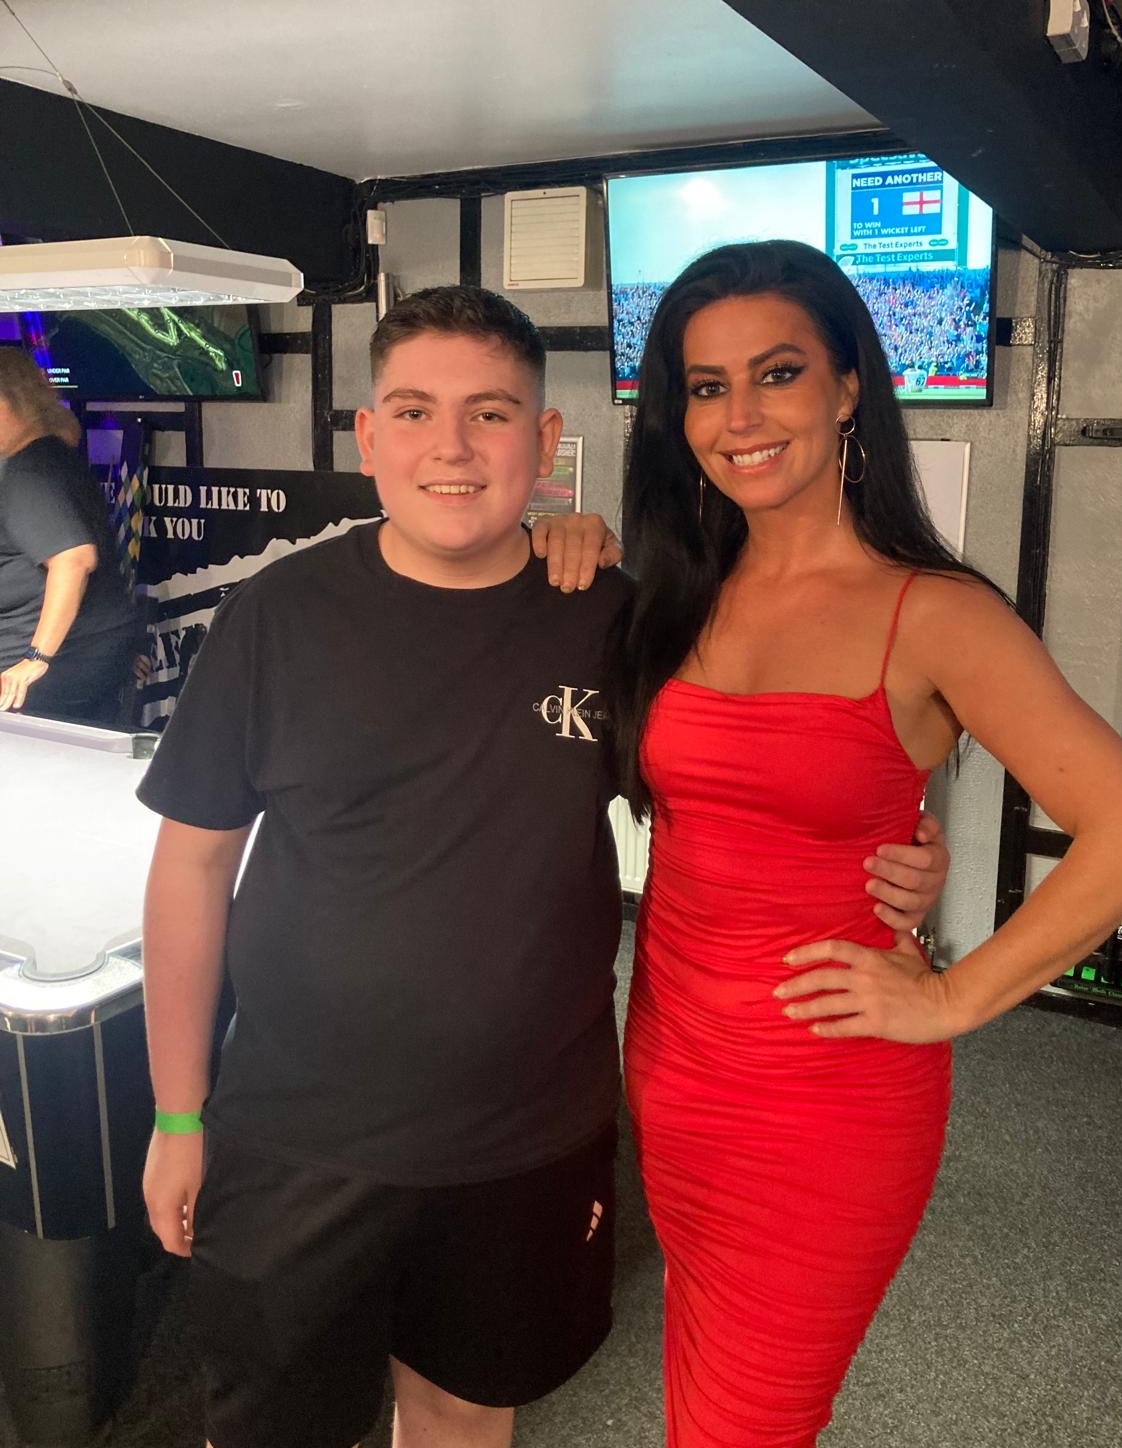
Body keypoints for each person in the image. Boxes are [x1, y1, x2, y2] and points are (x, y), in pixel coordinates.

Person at [137, 284, 948, 1448]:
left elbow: (753, 797)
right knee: (274, 1429)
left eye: (491, 412)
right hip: (295, 1133)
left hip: (527, 1142)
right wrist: (177, 1112)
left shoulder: (618, 623)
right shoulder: (276, 616)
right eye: (413, 411)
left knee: (466, 1412)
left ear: (546, 438)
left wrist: (900, 850)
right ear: (367, 436)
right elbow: (191, 870)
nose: (451, 447)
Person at [608, 239, 1122, 1448]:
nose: (740, 415)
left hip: (825, 1096)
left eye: (778, 373)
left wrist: (951, 998)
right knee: (700, 1389)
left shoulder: (935, 610)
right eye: (707, 386)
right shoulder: (679, 586)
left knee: (747, 1425)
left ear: (847, 389)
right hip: (671, 1056)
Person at [0, 349, 137, 722]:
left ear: (9, 404)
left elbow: (74, 559)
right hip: (87, 655)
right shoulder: (50, 454)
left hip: (43, 668)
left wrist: (36, 658)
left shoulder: (29, 473)